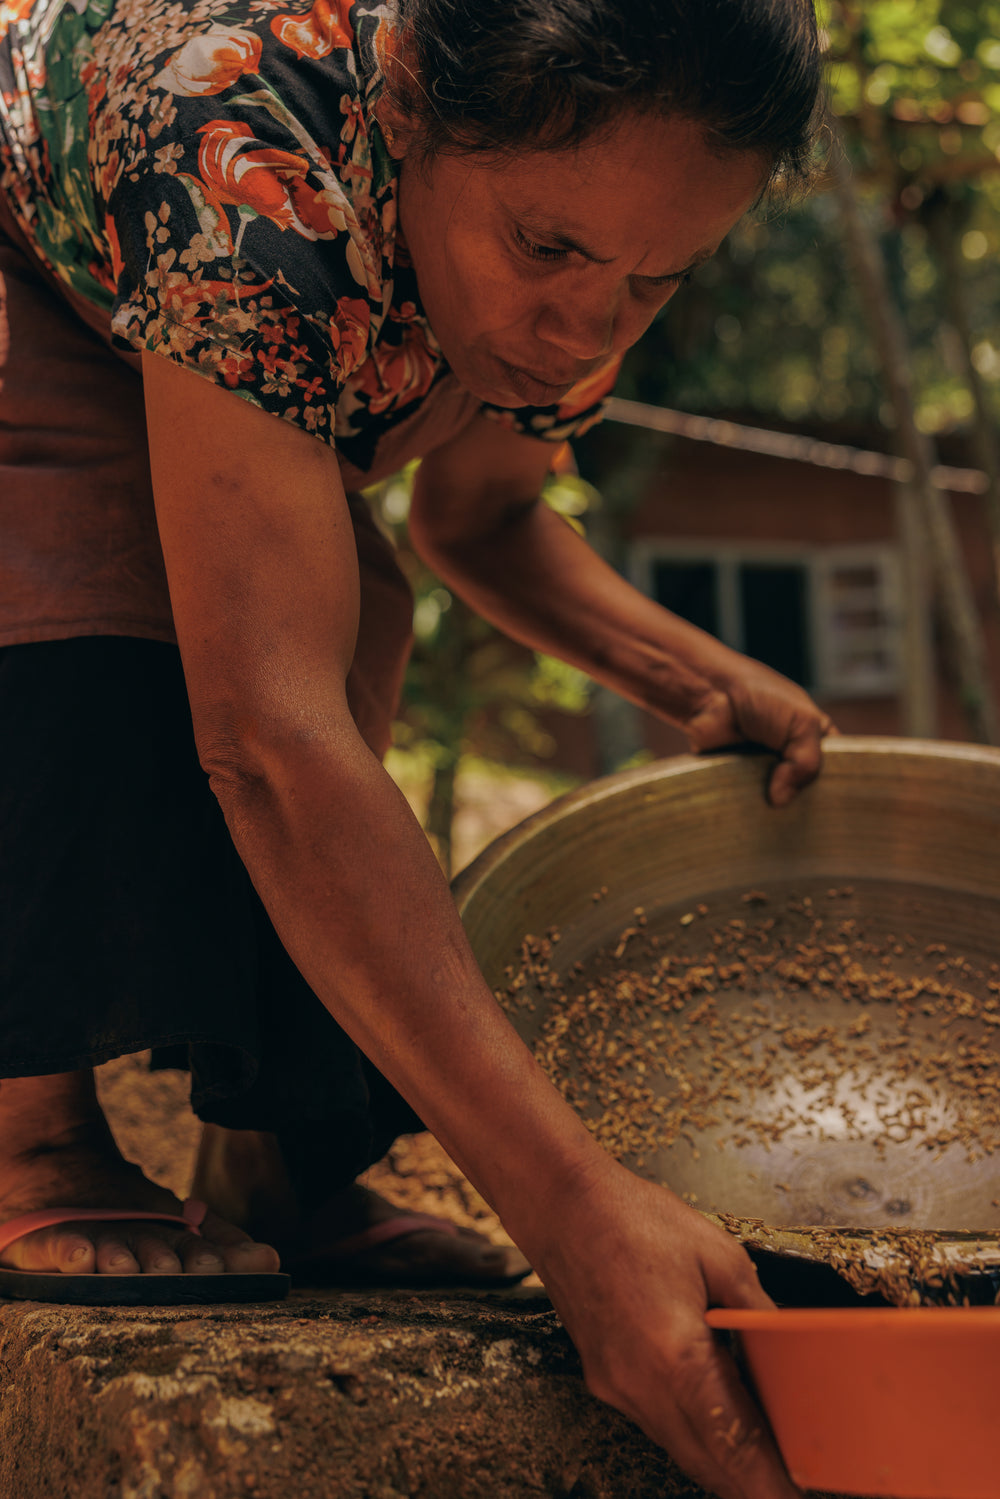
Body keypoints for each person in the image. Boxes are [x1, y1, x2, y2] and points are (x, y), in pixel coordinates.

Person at [0, 0, 836, 1492]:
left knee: (350, 624)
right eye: (548, 252)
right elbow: (266, 743)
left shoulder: (589, 239)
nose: (585, 328)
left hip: (265, 298)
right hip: (37, 268)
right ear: (404, 104)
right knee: (86, 600)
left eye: (655, 283)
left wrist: (696, 676)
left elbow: (482, 521)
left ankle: (276, 1160)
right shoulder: (240, 156)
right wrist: (574, 1210)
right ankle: (31, 1137)